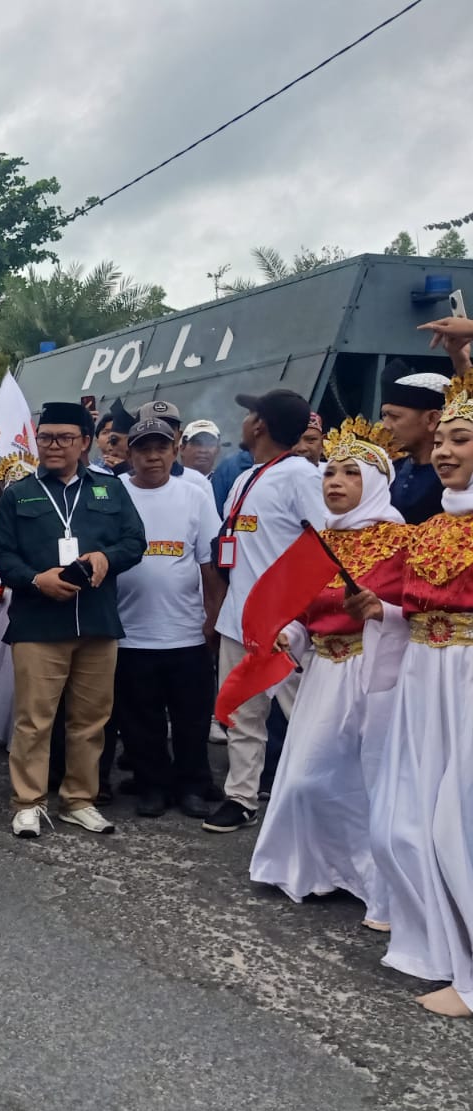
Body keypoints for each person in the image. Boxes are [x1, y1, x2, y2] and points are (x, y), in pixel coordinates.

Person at [248, 418, 406, 927]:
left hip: (380, 672)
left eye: (350, 474)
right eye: (329, 473)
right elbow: (304, 611)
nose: (334, 482)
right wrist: (290, 635)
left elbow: (424, 610)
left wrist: (383, 611)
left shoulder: (404, 542)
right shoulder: (317, 543)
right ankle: (318, 869)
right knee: (307, 779)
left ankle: (381, 887)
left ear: (377, 483)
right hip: (325, 674)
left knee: (376, 782)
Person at [361, 371, 473, 1017]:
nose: (447, 451)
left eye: (462, 439)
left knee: (458, 821)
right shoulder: (428, 526)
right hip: (424, 677)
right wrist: (379, 607)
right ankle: (437, 941)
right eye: (446, 440)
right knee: (405, 819)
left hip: (465, 678)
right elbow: (411, 602)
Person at [0, 400, 146, 838]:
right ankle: (28, 802)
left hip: (96, 622)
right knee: (34, 720)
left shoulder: (109, 489)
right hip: (39, 623)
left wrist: (105, 558)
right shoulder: (20, 492)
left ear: (85, 443)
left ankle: (79, 799)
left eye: (64, 438)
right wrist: (37, 580)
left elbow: (135, 542)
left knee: (90, 719)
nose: (53, 446)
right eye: (45, 438)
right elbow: (2, 554)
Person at [205, 388, 327, 833]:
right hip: (241, 621)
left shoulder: (302, 477)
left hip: (286, 626)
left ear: (259, 425)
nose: (244, 421)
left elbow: (327, 545)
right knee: (242, 714)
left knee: (304, 718)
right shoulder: (245, 478)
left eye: (250, 414)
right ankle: (241, 798)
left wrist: (300, 617)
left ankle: (316, 802)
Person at [112, 418, 225, 818]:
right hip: (130, 632)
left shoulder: (193, 495)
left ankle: (192, 784)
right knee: (141, 720)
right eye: (143, 449)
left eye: (161, 448)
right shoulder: (114, 494)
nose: (153, 456)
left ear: (174, 451)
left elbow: (209, 564)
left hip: (185, 631)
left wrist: (213, 618)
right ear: (130, 455)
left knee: (191, 718)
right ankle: (152, 784)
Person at [378, 360, 451, 524]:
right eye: (384, 416)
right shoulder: (390, 471)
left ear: (432, 419)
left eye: (395, 417)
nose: (385, 426)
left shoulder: (455, 478)